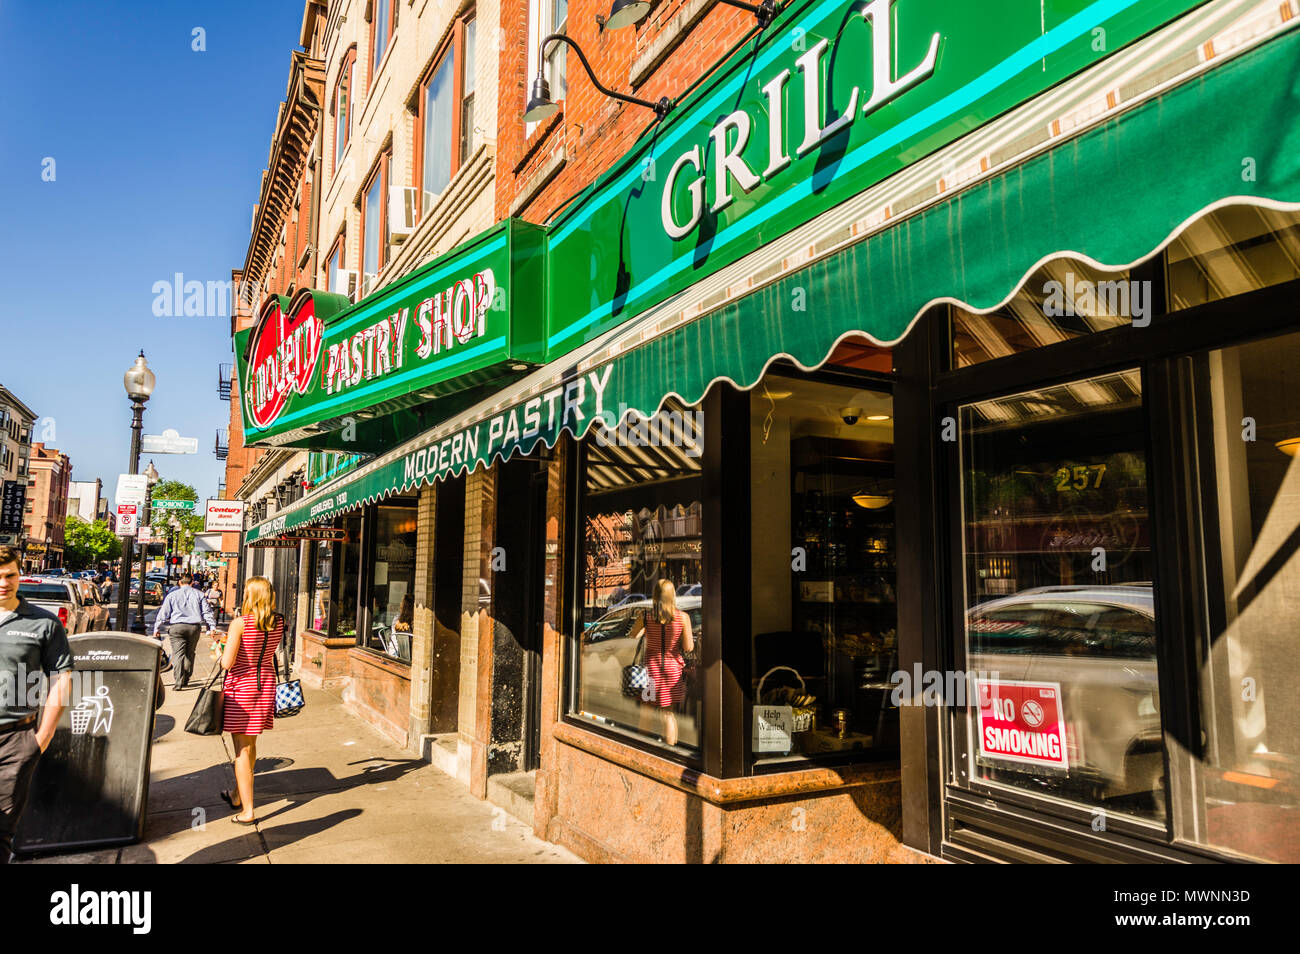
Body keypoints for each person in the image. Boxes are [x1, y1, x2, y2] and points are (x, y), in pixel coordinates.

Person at [0, 545, 72, 863]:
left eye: (10, 575)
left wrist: (41, 739)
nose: (4, 582)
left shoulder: (43, 624)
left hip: (16, 741)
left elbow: (62, 679)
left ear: (19, 575)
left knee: (2, 829)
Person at [213, 576, 281, 825]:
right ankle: (235, 794)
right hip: (265, 685)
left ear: (250, 596)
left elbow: (227, 663)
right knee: (250, 744)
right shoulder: (279, 621)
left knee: (241, 750)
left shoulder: (241, 624)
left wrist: (220, 648)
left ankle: (247, 810)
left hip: (241, 688)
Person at [629, 579, 695, 747]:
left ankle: (642, 747)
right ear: (672, 595)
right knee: (668, 714)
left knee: (646, 712)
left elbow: (633, 636)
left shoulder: (646, 616)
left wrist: (646, 629)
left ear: (656, 595)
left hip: (651, 670)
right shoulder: (683, 618)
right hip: (672, 671)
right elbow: (688, 647)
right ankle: (670, 751)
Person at [152, 573, 216, 691]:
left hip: (177, 627)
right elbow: (207, 612)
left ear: (180, 583)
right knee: (190, 653)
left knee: (178, 654)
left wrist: (157, 628)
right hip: (194, 627)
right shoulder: (199, 594)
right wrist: (211, 627)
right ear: (192, 583)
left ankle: (178, 681)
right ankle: (186, 678)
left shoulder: (172, 595)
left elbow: (163, 613)